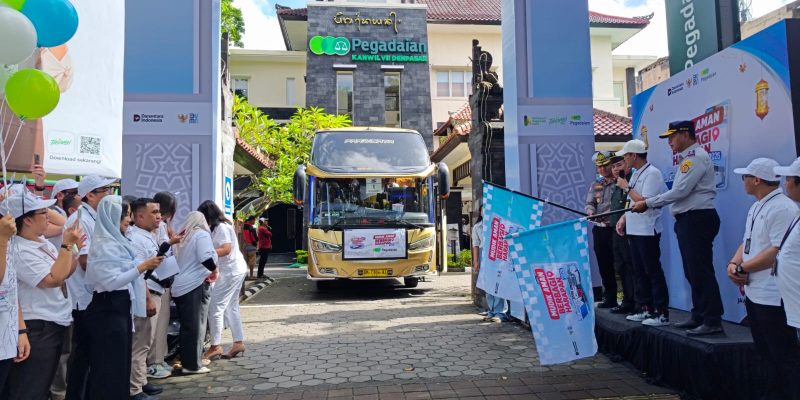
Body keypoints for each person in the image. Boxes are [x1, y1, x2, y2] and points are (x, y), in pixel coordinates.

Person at [633, 121, 724, 336]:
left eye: (672, 137)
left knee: (700, 271)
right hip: (689, 219)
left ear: (685, 134)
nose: (669, 142)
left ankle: (712, 320)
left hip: (697, 219)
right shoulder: (688, 159)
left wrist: (648, 203)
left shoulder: (694, 158)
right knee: (693, 271)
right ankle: (699, 315)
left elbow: (680, 191)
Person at [726, 158, 800, 399]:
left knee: (782, 355)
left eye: (745, 177)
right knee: (765, 353)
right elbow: (747, 241)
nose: (743, 182)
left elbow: (778, 250)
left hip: (773, 294)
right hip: (755, 291)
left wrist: (742, 268)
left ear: (756, 180)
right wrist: (734, 263)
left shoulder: (783, 208)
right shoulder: (758, 206)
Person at [5, 189, 84, 400]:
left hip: (53, 320)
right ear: (27, 220)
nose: (48, 216)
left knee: (42, 383)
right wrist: (67, 245)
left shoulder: (41, 242)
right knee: (30, 386)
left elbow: (65, 273)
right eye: (43, 212)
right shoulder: (20, 249)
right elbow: (52, 280)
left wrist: (72, 250)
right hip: (37, 325)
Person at [84, 196, 164, 400]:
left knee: (120, 365)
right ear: (114, 217)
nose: (129, 220)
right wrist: (142, 267)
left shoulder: (119, 241)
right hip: (108, 309)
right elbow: (111, 282)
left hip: (120, 307)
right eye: (126, 215)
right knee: (109, 367)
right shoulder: (104, 245)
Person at [65, 175, 118, 399]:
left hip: (92, 293)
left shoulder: (93, 217)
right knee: (84, 354)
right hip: (84, 295)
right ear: (90, 195)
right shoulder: (81, 219)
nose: (110, 194)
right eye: (106, 190)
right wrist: (114, 273)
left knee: (90, 354)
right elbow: (85, 260)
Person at [616, 140, 670, 326]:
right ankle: (645, 308)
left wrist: (626, 187)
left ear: (634, 155)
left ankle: (661, 313)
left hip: (647, 230)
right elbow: (632, 203)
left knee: (652, 270)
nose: (624, 159)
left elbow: (644, 202)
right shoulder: (636, 174)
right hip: (634, 229)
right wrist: (623, 218)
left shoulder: (652, 173)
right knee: (638, 271)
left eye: (625, 155)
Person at [127, 198, 172, 399]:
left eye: (159, 212)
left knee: (146, 341)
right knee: (140, 343)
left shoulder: (147, 236)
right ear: (139, 216)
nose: (158, 216)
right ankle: (134, 389)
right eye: (154, 213)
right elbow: (139, 273)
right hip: (146, 294)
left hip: (155, 291)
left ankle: (141, 381)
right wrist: (146, 299)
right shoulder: (136, 239)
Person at [197, 201, 247, 361]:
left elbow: (226, 249)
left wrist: (204, 253)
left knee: (215, 307)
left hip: (230, 270)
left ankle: (215, 346)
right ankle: (238, 342)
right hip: (233, 269)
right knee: (231, 306)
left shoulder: (221, 228)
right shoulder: (218, 228)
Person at [171, 211, 218, 374]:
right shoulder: (201, 235)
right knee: (197, 326)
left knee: (188, 326)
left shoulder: (183, 238)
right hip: (194, 286)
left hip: (180, 286)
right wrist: (214, 270)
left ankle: (190, 360)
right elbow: (205, 257)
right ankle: (192, 365)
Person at [46, 178, 79, 400]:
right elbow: (63, 225)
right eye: (72, 192)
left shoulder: (65, 220)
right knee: (58, 349)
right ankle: (58, 392)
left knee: (67, 346)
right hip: (53, 287)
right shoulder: (57, 218)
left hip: (66, 288)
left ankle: (62, 389)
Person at [147, 192, 179, 379]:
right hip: (157, 280)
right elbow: (162, 251)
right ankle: (154, 362)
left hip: (162, 280)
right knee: (156, 325)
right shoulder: (160, 228)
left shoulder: (162, 226)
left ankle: (158, 359)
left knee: (160, 323)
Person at [586, 151, 618, 308]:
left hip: (615, 229)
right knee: (604, 264)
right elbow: (590, 203)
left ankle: (629, 300)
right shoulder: (596, 184)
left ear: (612, 164)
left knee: (621, 265)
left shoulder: (620, 182)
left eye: (605, 165)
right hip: (599, 229)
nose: (603, 169)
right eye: (599, 167)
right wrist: (590, 211)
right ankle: (610, 298)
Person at [0, 208, 27, 395]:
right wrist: (2, 240)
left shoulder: (6, 232)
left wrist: (21, 329)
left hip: (6, 337)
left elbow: (9, 287)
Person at [609, 154, 635, 315]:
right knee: (620, 266)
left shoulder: (630, 181)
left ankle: (636, 302)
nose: (615, 169)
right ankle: (627, 301)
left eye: (619, 165)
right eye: (613, 167)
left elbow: (631, 203)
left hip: (629, 229)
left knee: (630, 265)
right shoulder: (617, 183)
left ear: (627, 164)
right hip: (615, 229)